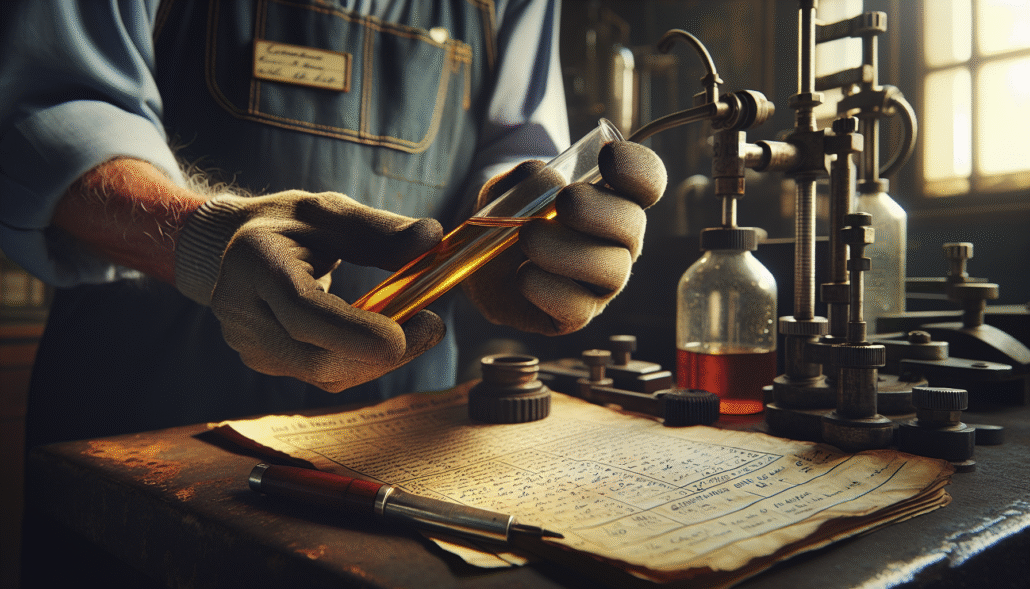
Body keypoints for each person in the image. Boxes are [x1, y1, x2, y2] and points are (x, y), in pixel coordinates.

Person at [0, 0, 666, 448]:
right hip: (137, 424)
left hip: (399, 446)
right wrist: (205, 239)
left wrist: (520, 245)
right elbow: (40, 111)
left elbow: (516, 147)